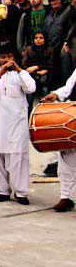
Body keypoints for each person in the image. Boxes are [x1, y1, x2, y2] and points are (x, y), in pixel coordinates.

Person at [0, 46, 35, 205]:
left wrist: (19, 70)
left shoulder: (21, 75)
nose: (7, 60)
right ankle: (2, 190)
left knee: (18, 158)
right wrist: (0, 74)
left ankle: (21, 192)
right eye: (3, 57)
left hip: (16, 124)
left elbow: (31, 88)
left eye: (10, 56)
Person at [42, 66, 76, 211]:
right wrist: (56, 94)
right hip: (72, 115)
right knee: (66, 159)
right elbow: (69, 87)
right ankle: (66, 197)